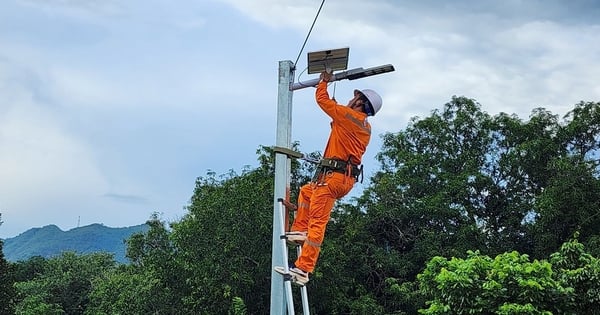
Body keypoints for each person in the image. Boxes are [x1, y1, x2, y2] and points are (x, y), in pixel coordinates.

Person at [275, 71, 383, 285]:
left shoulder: (350, 116)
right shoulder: (363, 125)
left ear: (361, 102)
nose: (351, 99)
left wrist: (323, 82)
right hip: (341, 178)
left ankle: (303, 269)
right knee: (307, 192)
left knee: (318, 221)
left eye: (355, 97)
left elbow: (322, 100)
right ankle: (300, 230)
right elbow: (338, 123)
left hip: (334, 178)